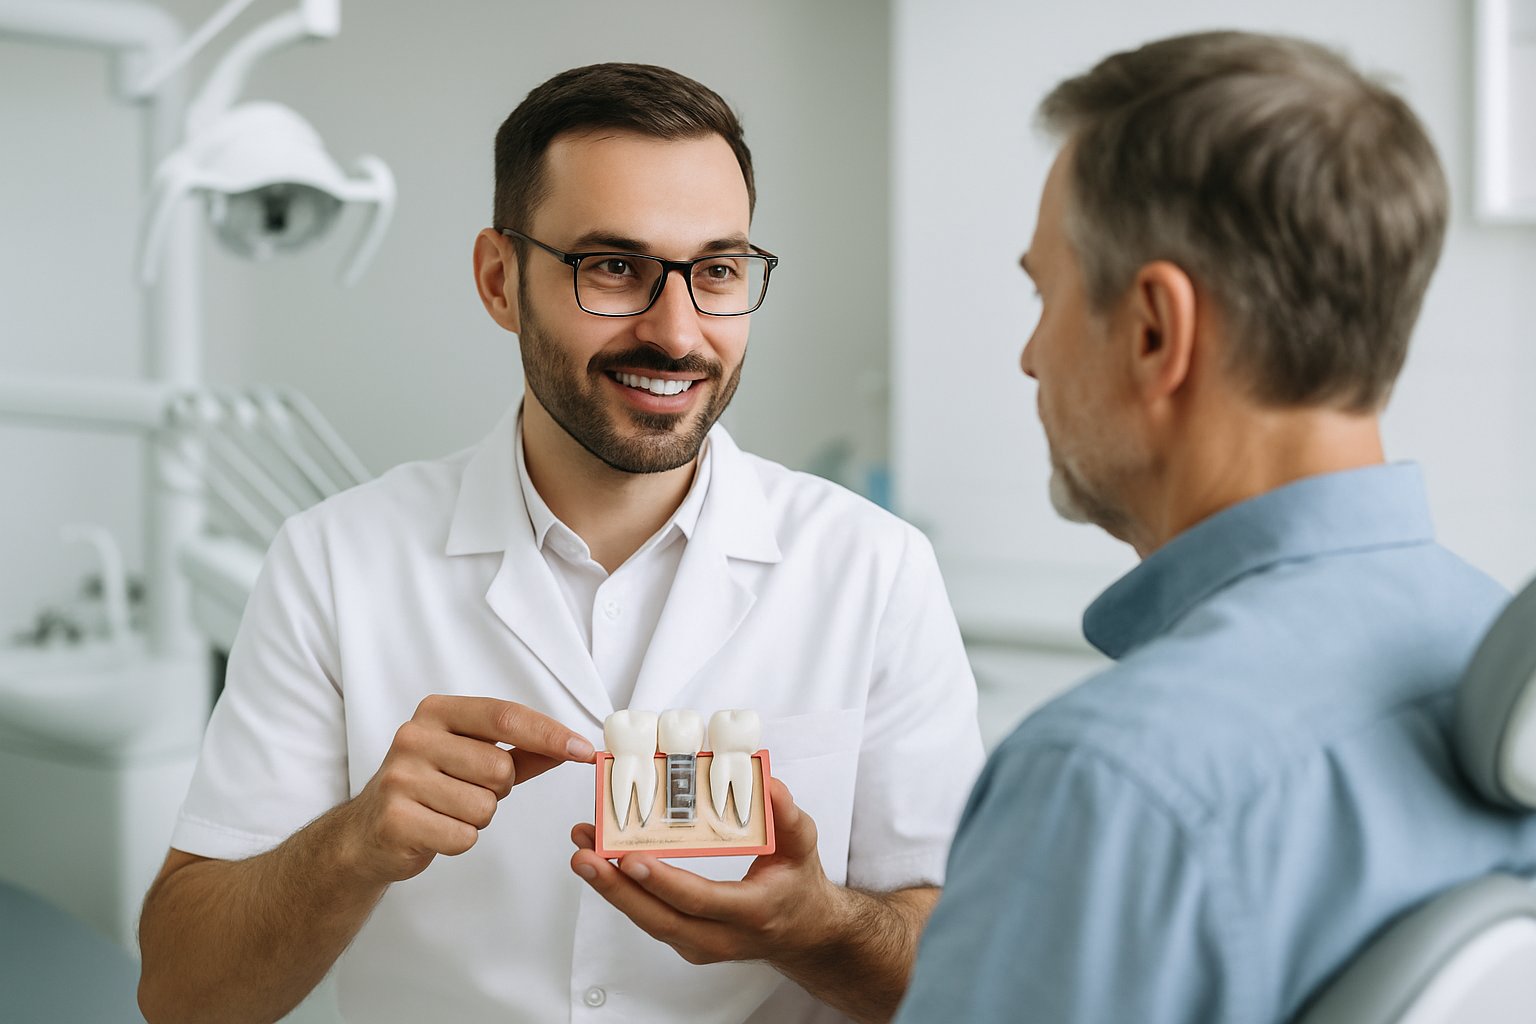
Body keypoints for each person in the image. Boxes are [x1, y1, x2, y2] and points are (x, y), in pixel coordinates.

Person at [137, 63, 983, 1024]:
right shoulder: (334, 563)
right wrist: (353, 842)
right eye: (613, 267)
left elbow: (979, 977)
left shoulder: (873, 570)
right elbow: (181, 994)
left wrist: (818, 927)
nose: (678, 333)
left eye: (716, 271)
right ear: (502, 281)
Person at [893, 30, 1536, 1024]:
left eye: (1044, 292)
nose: (1029, 356)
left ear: (1156, 330)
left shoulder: (1112, 785)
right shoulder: (1495, 664)